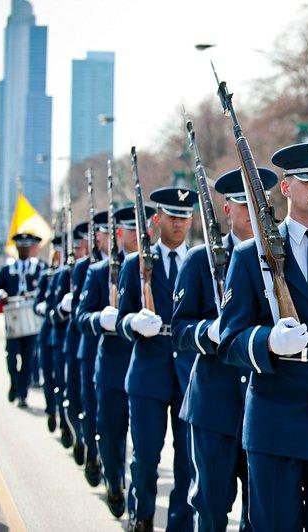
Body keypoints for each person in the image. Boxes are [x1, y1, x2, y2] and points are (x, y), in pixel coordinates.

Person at [218, 144, 308, 531]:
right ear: (285, 187)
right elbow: (229, 339)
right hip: (276, 418)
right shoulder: (251, 255)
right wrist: (267, 341)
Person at [172, 167, 276, 531]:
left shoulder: (278, 257)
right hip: (214, 403)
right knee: (212, 506)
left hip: (262, 404)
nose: (251, 211)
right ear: (227, 211)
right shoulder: (200, 260)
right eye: (241, 204)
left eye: (256, 203)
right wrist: (209, 331)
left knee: (258, 512)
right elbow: (179, 329)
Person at [116, 187, 198, 532]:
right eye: (171, 216)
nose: (178, 224)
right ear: (156, 219)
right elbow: (120, 319)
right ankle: (143, 513)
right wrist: (133, 322)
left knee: (186, 462)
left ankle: (179, 524)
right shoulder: (136, 263)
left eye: (184, 216)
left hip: (187, 373)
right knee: (146, 457)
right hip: (148, 373)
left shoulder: (199, 262)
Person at [78, 205, 152, 518]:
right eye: (132, 230)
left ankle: (136, 496)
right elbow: (82, 318)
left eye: (142, 229)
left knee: (143, 444)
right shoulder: (97, 272)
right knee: (110, 432)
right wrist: (101, 319)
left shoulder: (151, 269)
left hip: (144, 367)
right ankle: (113, 481)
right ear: (119, 234)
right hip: (110, 366)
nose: (139, 235)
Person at [51, 221, 92, 466]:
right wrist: (63, 307)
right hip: (75, 342)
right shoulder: (73, 271)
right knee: (76, 399)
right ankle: (77, 435)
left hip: (107, 349)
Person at [74, 211, 109, 487]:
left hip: (118, 354)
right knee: (91, 408)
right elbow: (79, 312)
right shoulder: (86, 268)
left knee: (111, 421)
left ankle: (114, 471)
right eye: (102, 232)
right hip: (89, 349)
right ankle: (92, 454)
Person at [0, 233, 44, 408]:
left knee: (28, 359)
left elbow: (45, 290)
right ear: (17, 249)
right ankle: (14, 383)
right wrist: (1, 294)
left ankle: (22, 393)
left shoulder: (38, 268)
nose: (25, 250)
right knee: (11, 357)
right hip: (13, 320)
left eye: (27, 247)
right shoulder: (8, 269)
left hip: (31, 321)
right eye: (21, 247)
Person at [35, 235, 65, 432]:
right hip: (48, 332)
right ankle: (50, 410)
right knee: (48, 374)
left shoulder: (73, 274)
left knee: (63, 379)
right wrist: (44, 307)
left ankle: (64, 418)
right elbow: (37, 304)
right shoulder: (47, 276)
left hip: (64, 335)